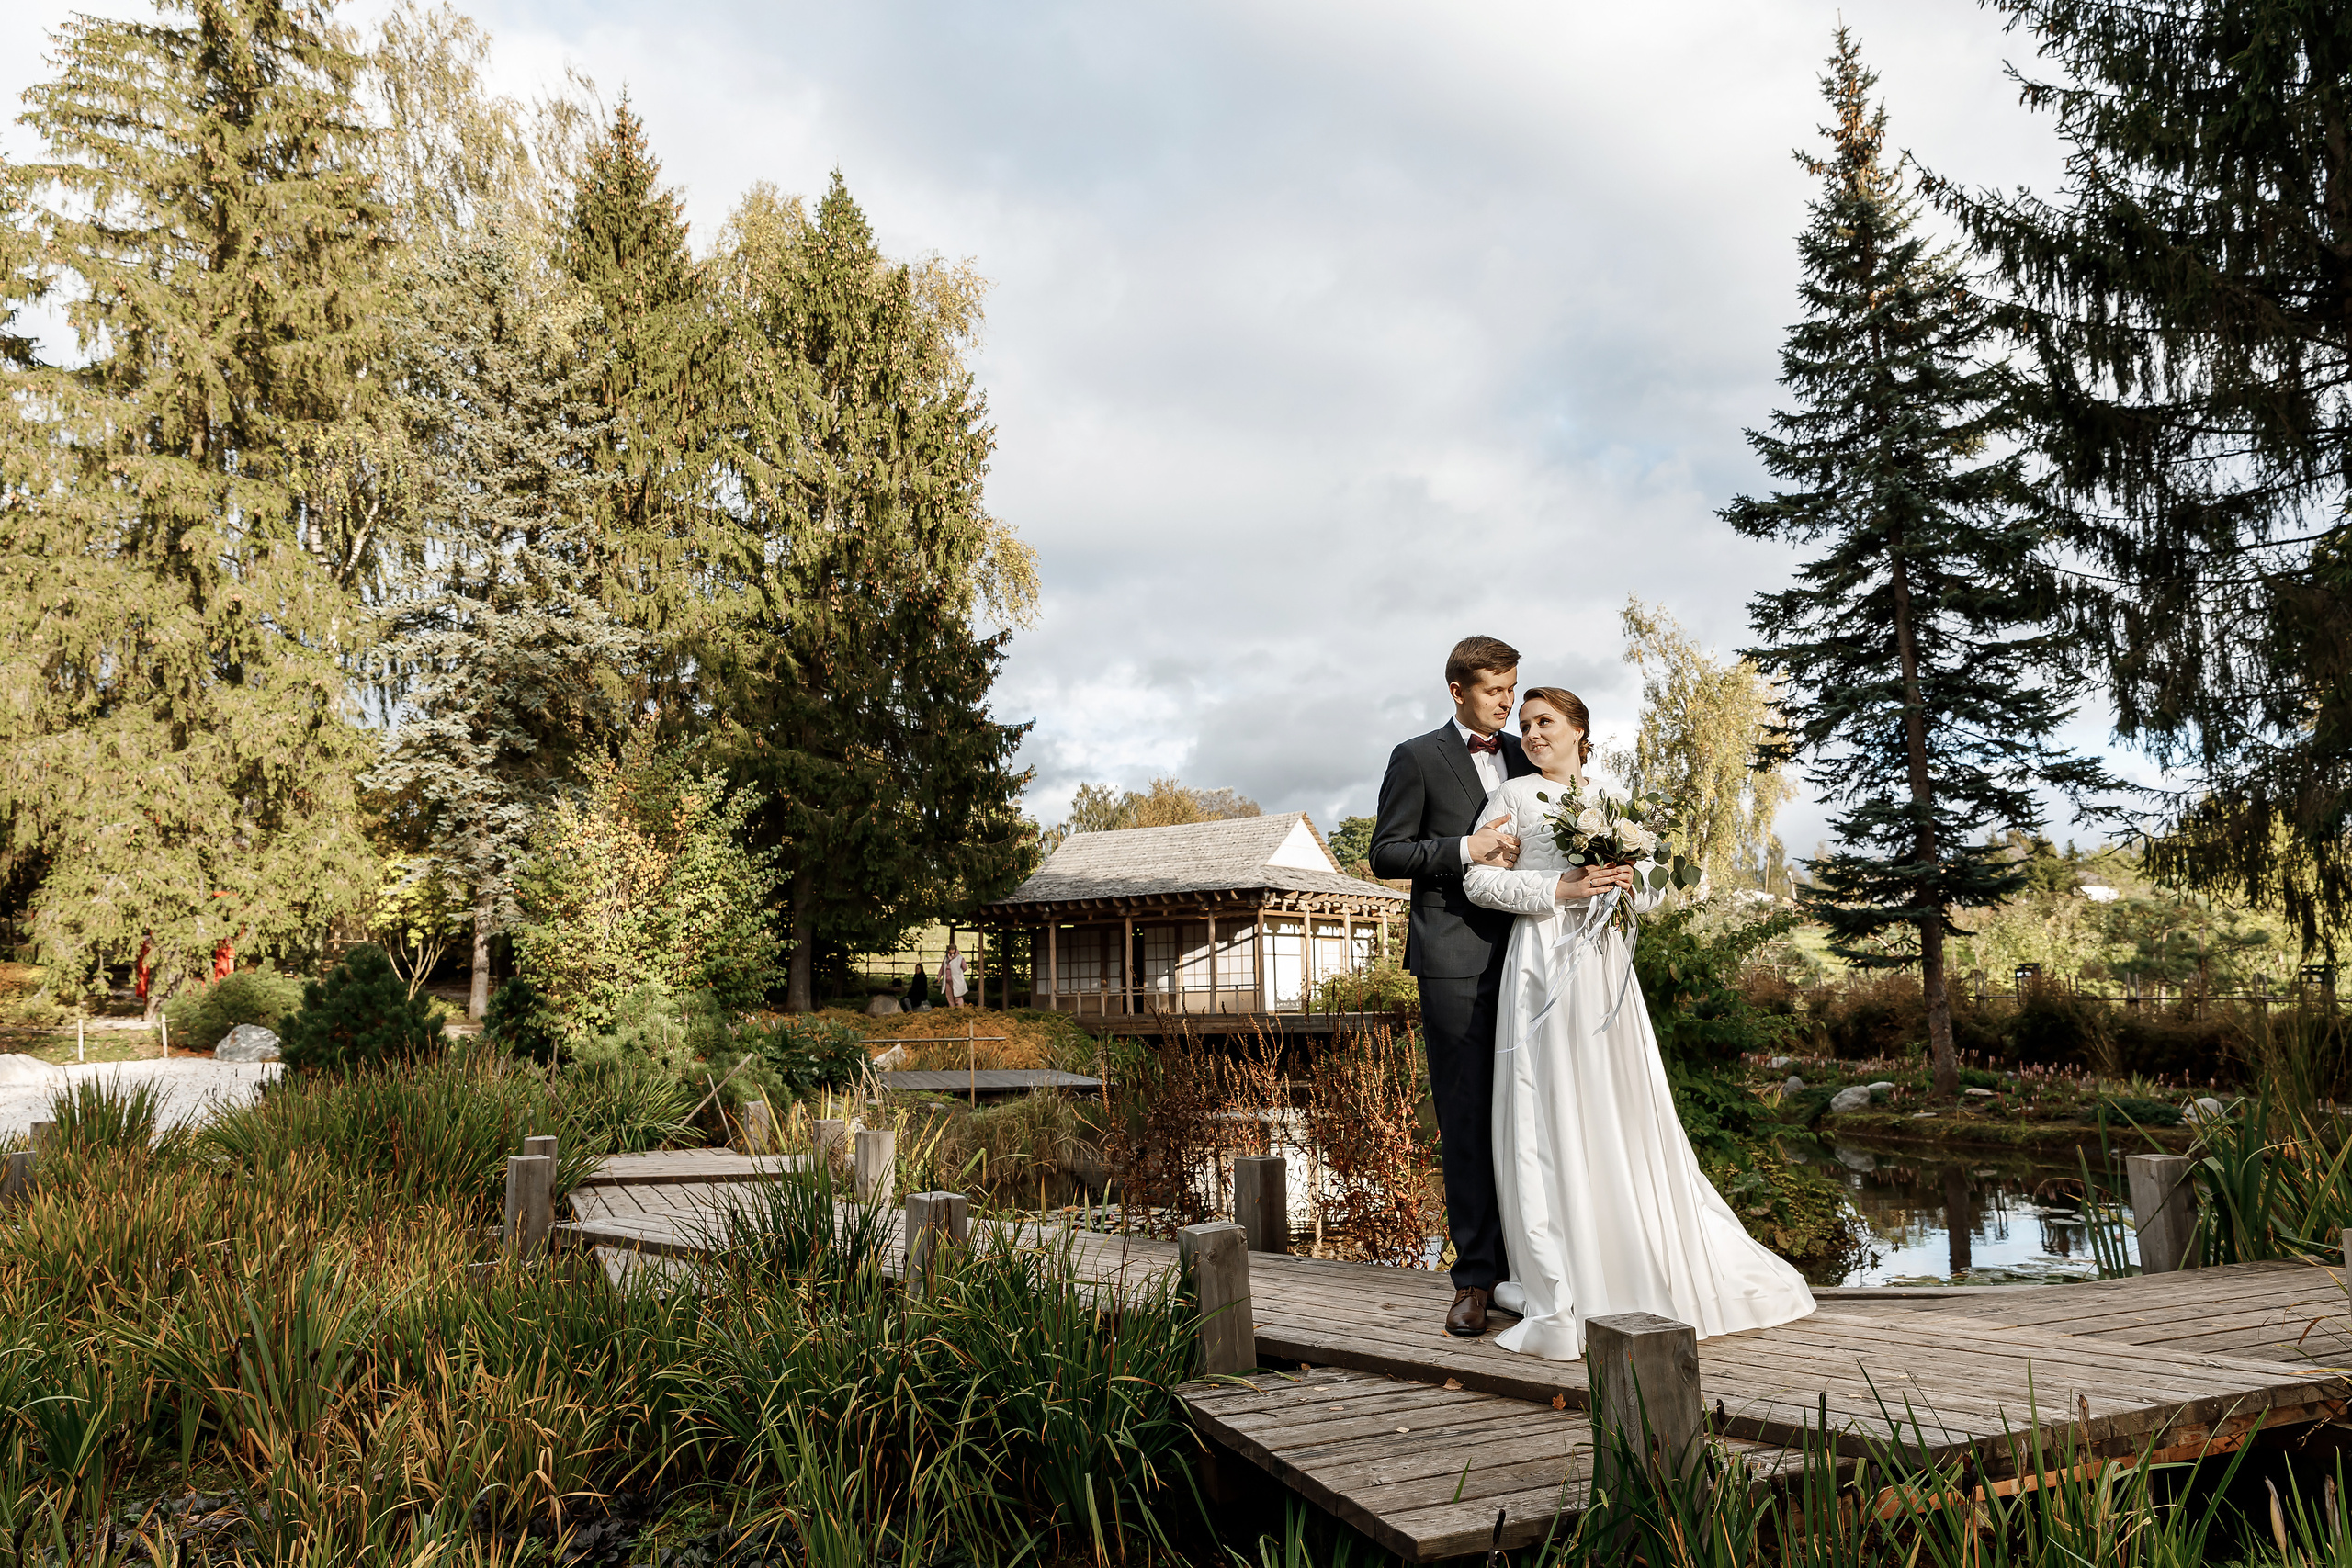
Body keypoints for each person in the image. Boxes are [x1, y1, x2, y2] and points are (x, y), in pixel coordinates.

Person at [1464, 686, 1816, 1360]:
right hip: (1541, 961)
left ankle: (1637, 1247)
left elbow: (1652, 889)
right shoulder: (1512, 796)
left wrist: (1627, 878)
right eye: (1527, 723)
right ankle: (1563, 1267)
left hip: (1603, 966)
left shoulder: (1615, 800)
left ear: (1578, 731)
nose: (1532, 733)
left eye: (1546, 723)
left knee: (1617, 1100)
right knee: (1548, 1104)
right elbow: (1480, 883)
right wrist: (1558, 888)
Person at [1370, 635, 1538, 1337]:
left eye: (1512, 688)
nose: (1509, 702)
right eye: (1496, 690)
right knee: (1466, 1120)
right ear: (1457, 690)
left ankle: (1533, 1271)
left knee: (1532, 1114)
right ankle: (1475, 1279)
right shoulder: (1416, 756)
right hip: (1452, 963)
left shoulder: (1530, 754)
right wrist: (1465, 848)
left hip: (1534, 955)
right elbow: (1385, 853)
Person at [938, 942, 967, 1008]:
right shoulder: (946, 958)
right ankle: (952, 1009)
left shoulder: (960, 958)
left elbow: (965, 967)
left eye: (952, 949)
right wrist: (939, 977)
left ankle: (960, 1009)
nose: (951, 951)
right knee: (949, 996)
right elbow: (942, 968)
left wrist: (958, 973)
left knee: (957, 995)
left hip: (956, 980)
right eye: (950, 949)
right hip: (947, 980)